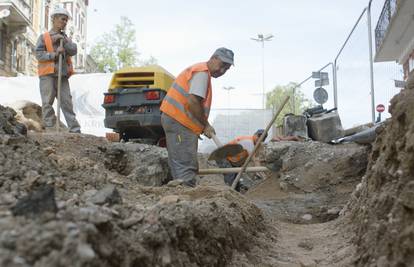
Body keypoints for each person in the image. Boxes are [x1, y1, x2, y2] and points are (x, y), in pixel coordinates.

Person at [160, 47, 234, 187]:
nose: (222, 71)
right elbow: (193, 101)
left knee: (181, 163)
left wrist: (200, 126)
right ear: (213, 58)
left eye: (227, 69)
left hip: (178, 121)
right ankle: (186, 198)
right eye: (222, 65)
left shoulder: (201, 72)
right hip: (179, 121)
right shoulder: (202, 73)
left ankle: (182, 195)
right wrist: (205, 125)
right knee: (185, 164)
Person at [35, 7, 81, 133]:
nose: (65, 22)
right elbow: (38, 55)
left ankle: (75, 130)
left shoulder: (66, 38)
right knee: (47, 102)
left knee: (66, 102)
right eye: (62, 19)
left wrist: (64, 42)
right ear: (54, 19)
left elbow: (73, 50)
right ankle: (50, 128)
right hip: (47, 75)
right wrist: (54, 54)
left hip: (62, 74)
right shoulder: (44, 37)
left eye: (66, 20)